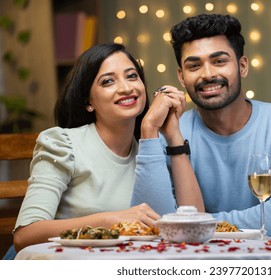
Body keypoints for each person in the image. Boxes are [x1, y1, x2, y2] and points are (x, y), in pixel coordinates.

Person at [131, 14, 271, 236]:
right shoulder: (169, 133)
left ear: (242, 66)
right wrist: (149, 128)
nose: (208, 74)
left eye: (219, 61)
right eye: (194, 66)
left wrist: (194, 224)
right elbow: (154, 225)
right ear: (181, 77)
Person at [10, 42, 191, 257]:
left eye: (132, 76)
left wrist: (162, 132)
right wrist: (110, 219)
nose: (126, 88)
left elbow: (188, 220)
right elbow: (24, 235)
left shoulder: (150, 149)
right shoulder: (62, 144)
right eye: (108, 81)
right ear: (88, 101)